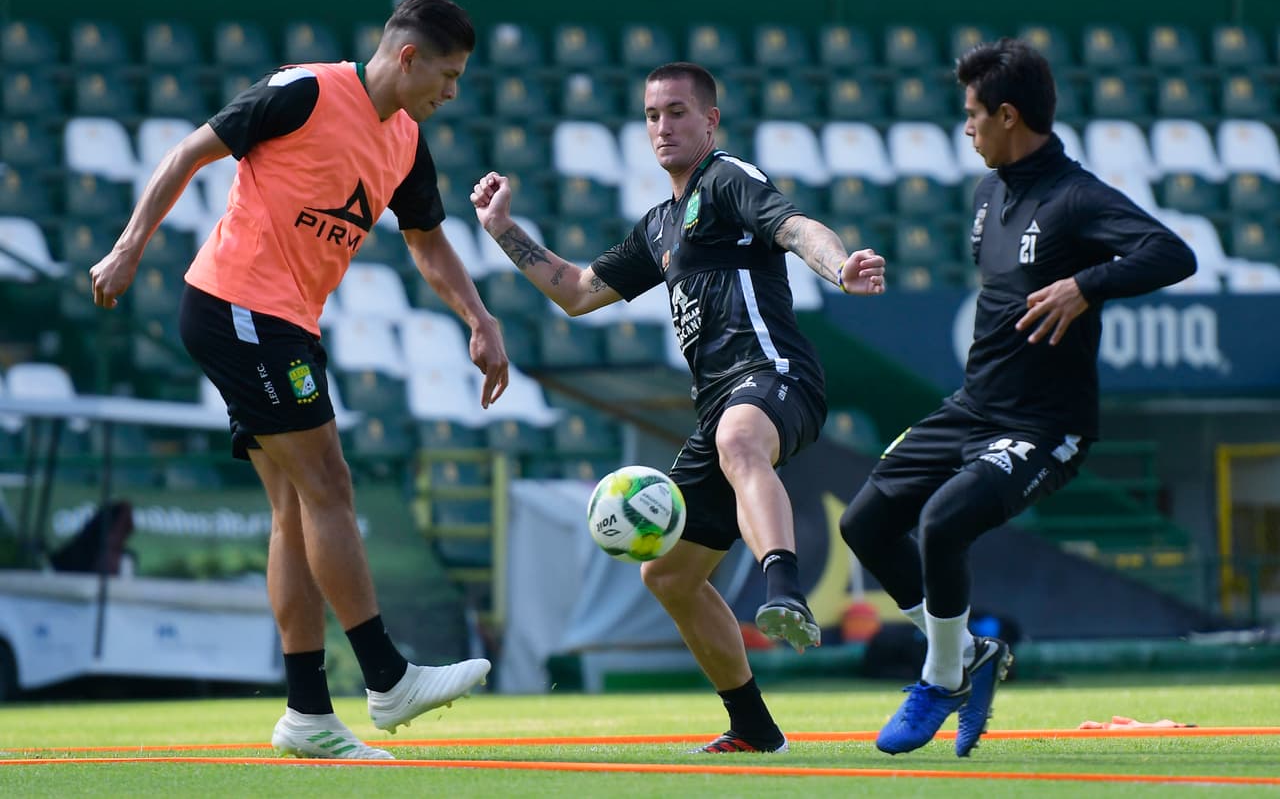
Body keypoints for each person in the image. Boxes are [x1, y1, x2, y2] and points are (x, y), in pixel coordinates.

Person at [89, 0, 509, 760]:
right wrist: (127, 247)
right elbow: (189, 152)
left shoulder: (406, 141)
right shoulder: (306, 91)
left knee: (295, 507)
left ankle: (308, 712)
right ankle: (386, 676)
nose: (452, 93)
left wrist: (480, 319)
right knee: (329, 483)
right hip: (239, 304)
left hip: (282, 319)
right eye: (447, 75)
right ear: (408, 57)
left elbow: (427, 242)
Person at [471, 61, 886, 753]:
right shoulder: (659, 226)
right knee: (666, 573)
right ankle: (753, 727)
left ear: (710, 120)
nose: (662, 126)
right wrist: (502, 230)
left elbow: (795, 227)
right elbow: (576, 292)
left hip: (775, 373)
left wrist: (838, 267)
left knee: (739, 439)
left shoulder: (726, 179)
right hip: (717, 404)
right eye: (652, 115)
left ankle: (783, 589)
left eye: (677, 112)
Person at [840, 38, 1198, 758]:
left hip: (1044, 426)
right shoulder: (987, 194)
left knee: (943, 521)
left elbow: (1173, 253)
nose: (965, 127)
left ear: (1008, 115)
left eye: (973, 113)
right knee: (866, 523)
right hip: (974, 406)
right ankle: (968, 654)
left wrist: (1087, 284)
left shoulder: (1076, 196)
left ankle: (941, 677)